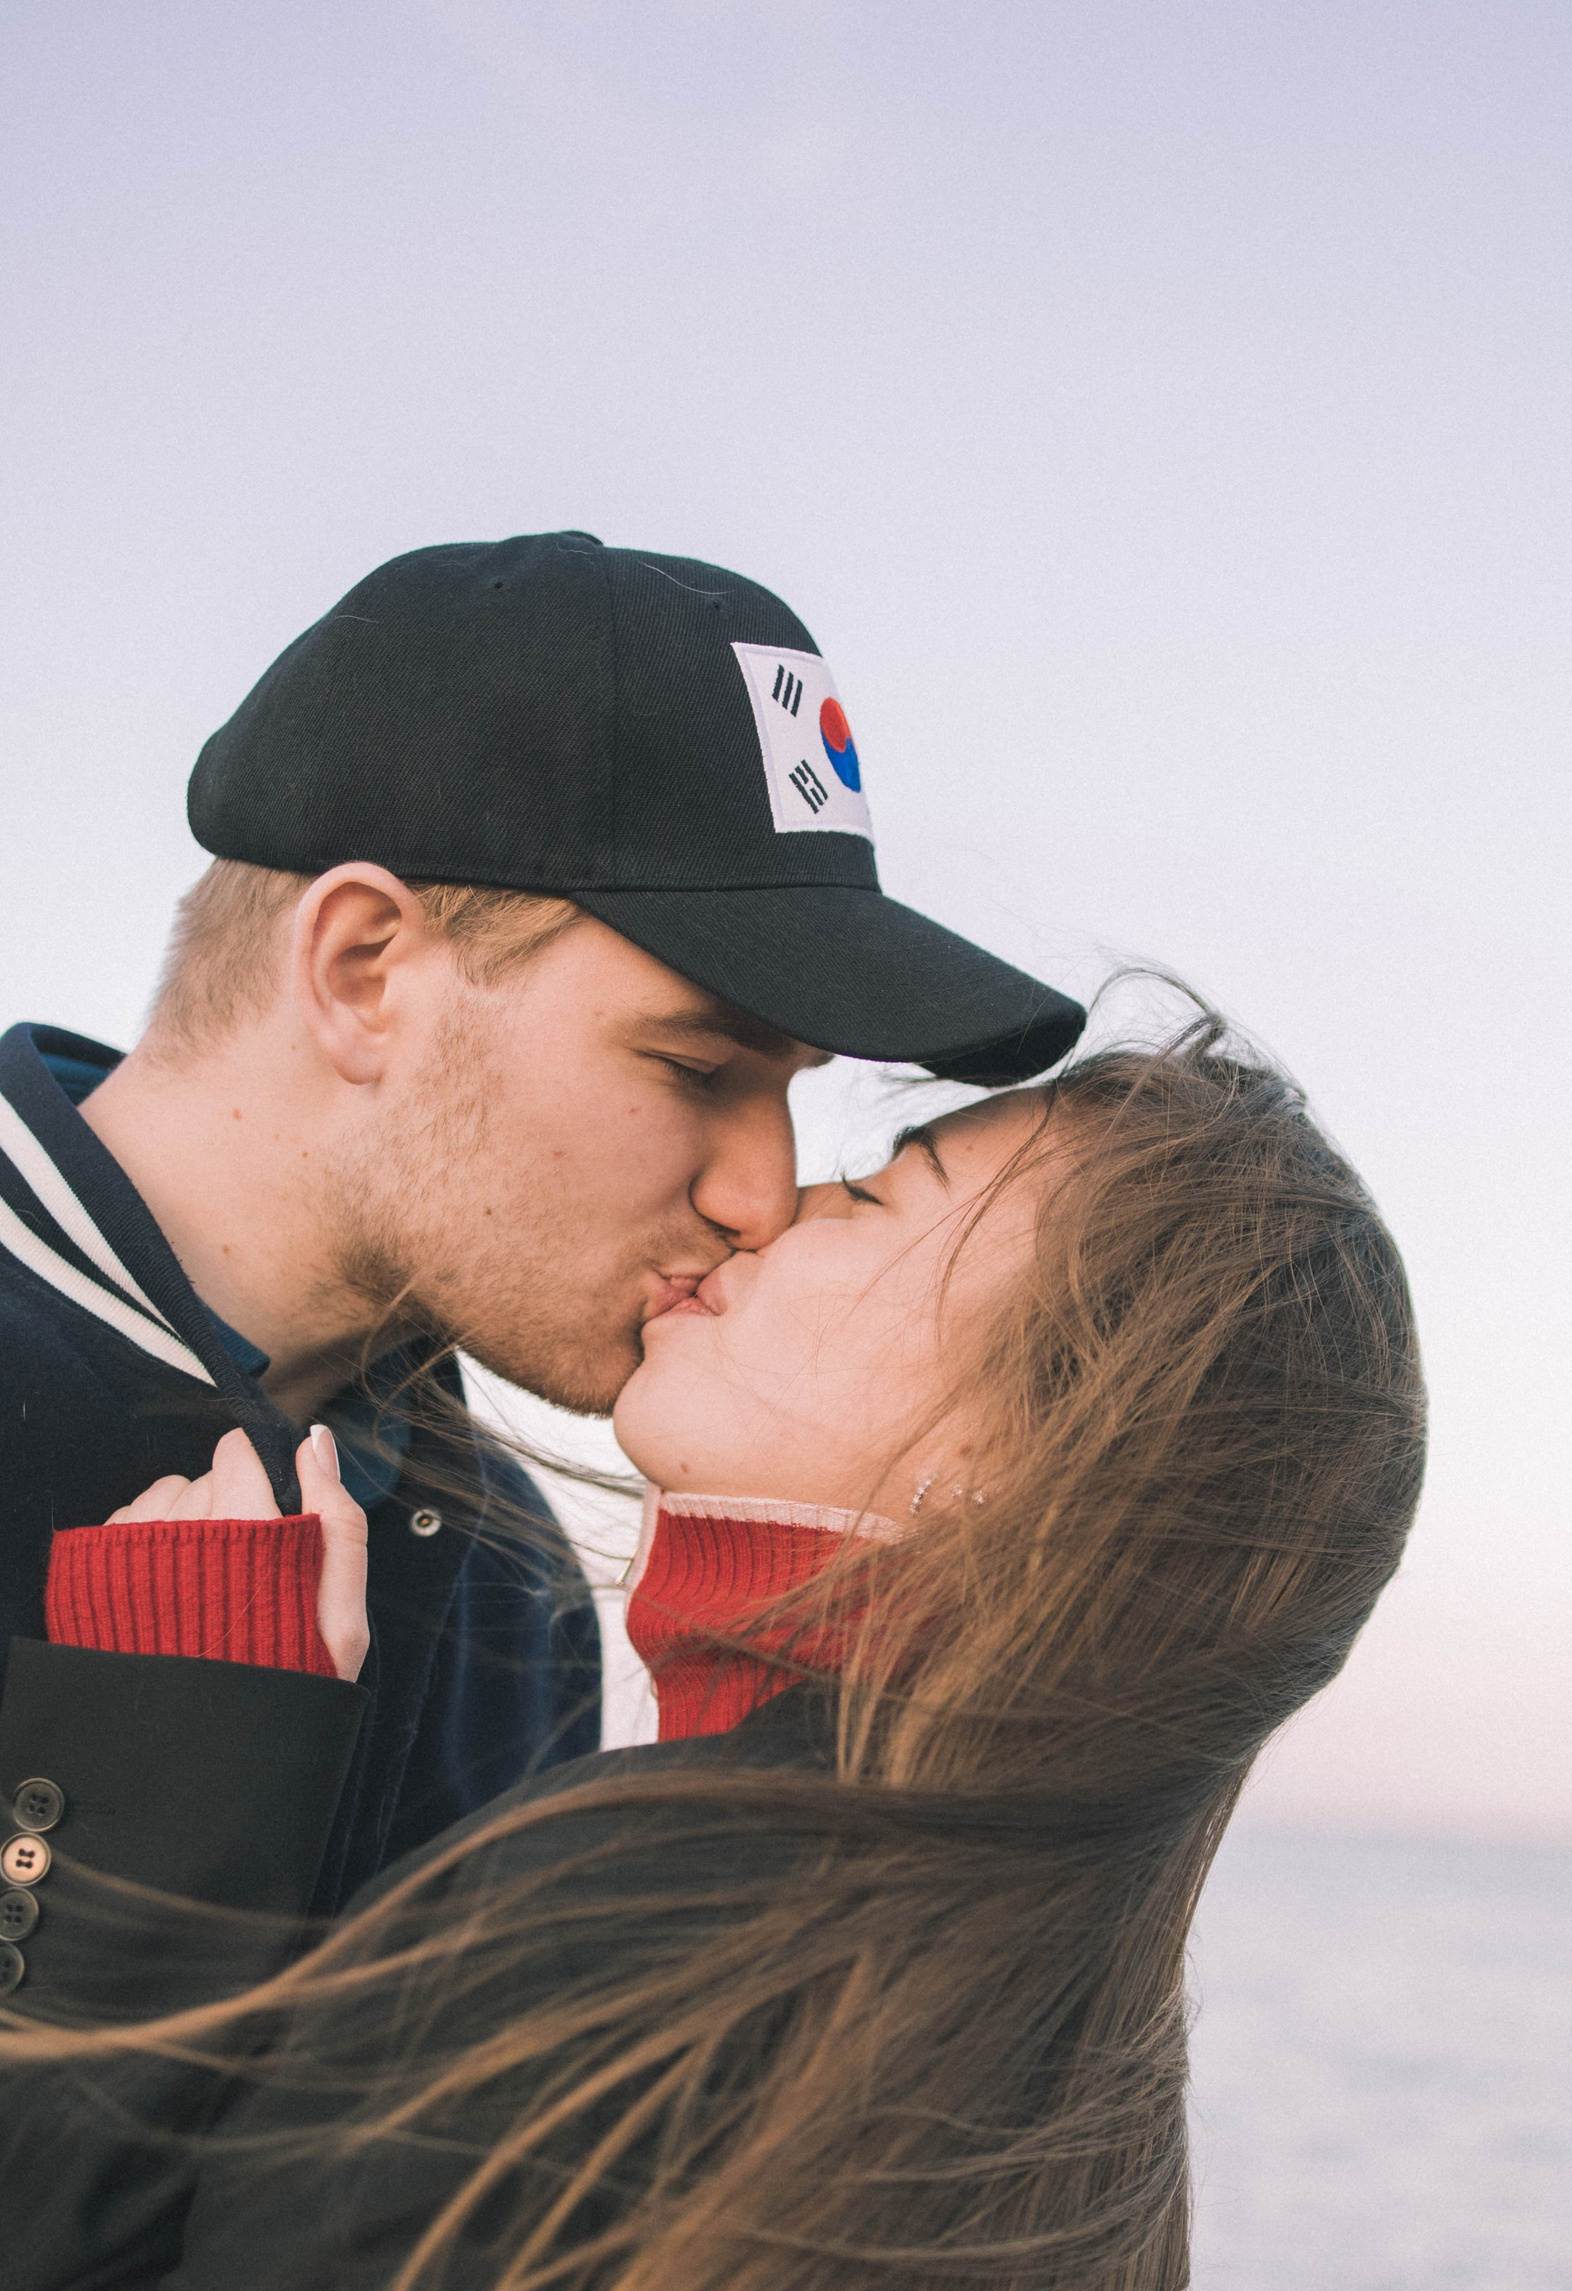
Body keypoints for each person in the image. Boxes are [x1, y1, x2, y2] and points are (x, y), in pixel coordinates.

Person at [0, 1009, 1425, 2291]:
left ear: (1023, 1453)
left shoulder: (646, 1926)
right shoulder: (1058, 2052)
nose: (772, 1204)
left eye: (879, 1193)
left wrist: (180, 1779)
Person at [0, 529, 1085, 1911]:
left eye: (790, 1089)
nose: (763, 1196)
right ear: (364, 970)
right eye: (694, 1067)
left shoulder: (511, 1585)